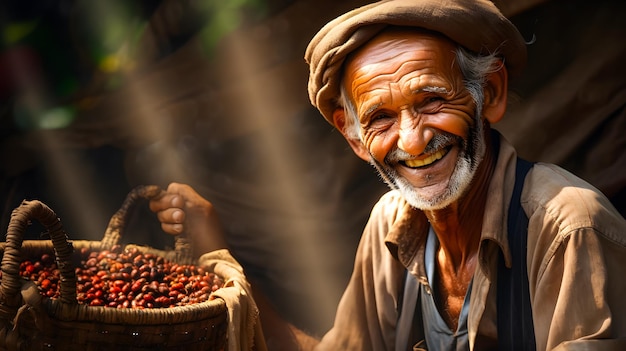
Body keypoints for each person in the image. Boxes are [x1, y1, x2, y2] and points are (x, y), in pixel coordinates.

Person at [149, 0, 626, 350]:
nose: (413, 141)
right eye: (379, 118)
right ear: (353, 138)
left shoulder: (568, 227)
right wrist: (218, 254)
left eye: (433, 101)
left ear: (490, 94)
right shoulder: (393, 223)